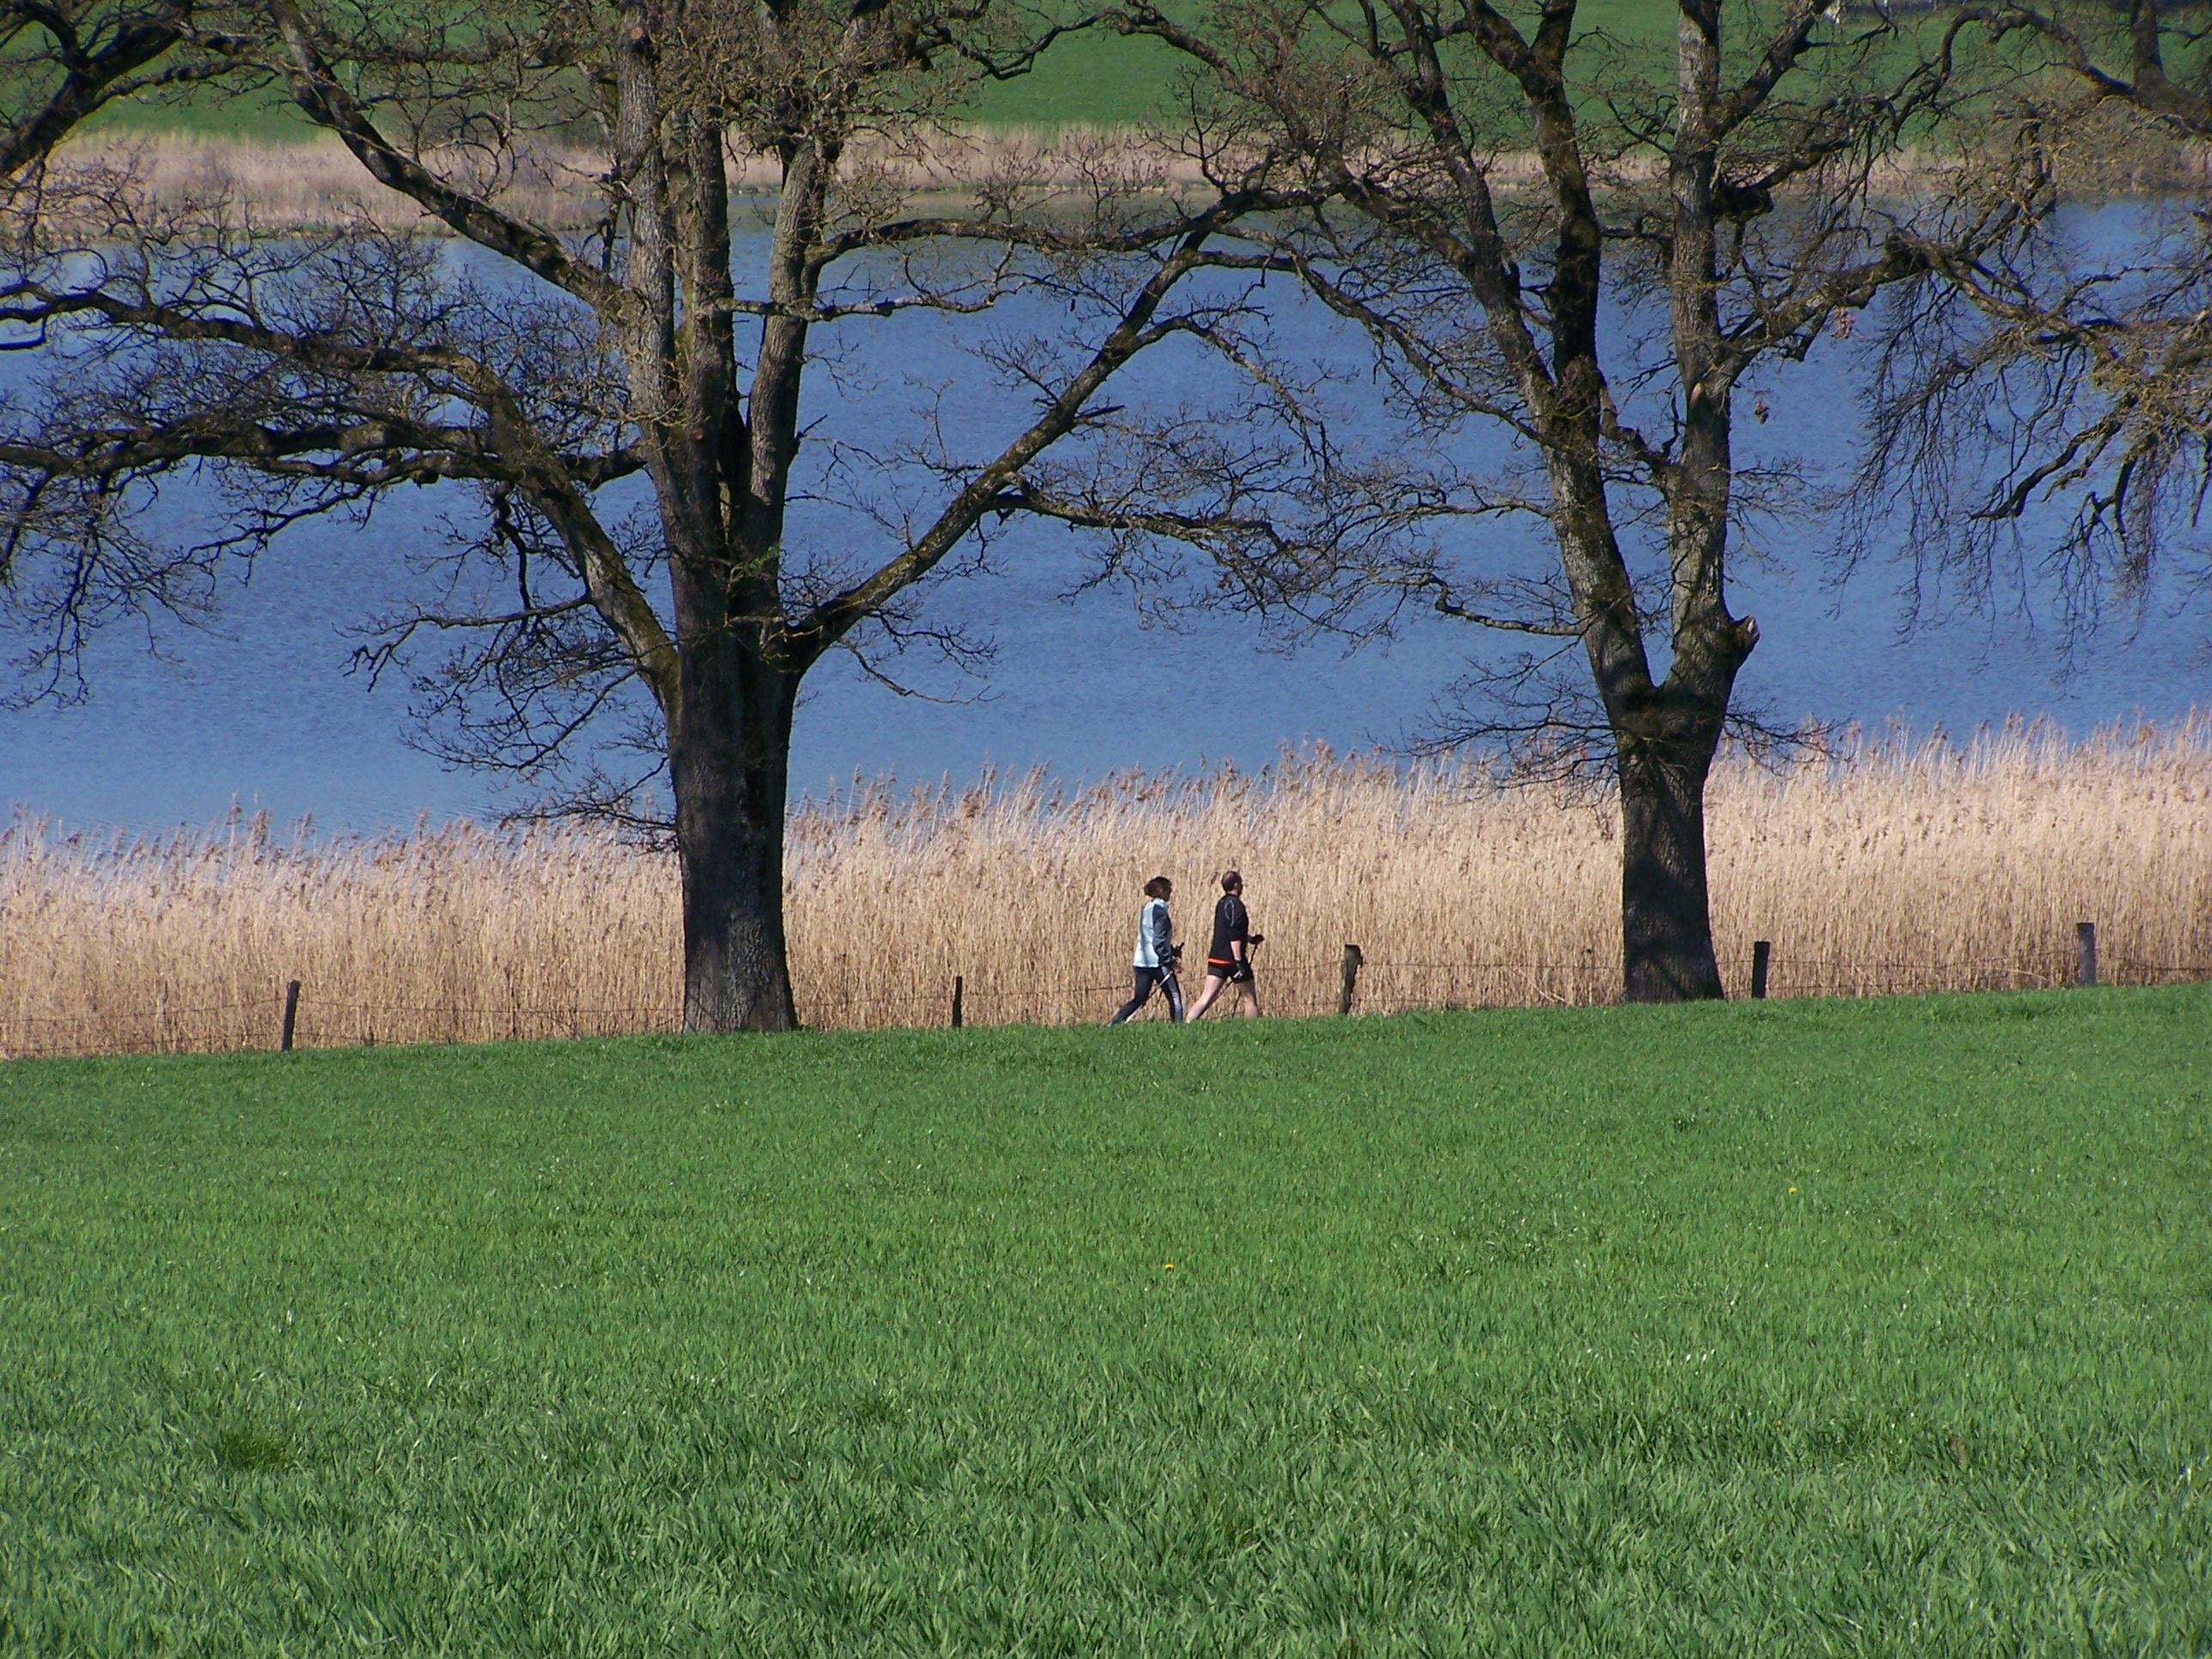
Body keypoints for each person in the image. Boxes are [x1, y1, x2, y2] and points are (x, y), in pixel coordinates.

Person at [1188, 868, 1262, 1019]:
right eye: (1241, 883)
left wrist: (1250, 939)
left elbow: (1227, 930)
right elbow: (1234, 935)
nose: (1242, 886)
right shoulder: (1237, 906)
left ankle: (1188, 1023)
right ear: (1236, 885)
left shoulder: (1221, 903)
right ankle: (1253, 1030)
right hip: (1231, 959)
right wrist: (1239, 961)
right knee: (1249, 999)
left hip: (1216, 958)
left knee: (1206, 997)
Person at [1109, 875, 1184, 1024]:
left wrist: (1171, 949)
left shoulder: (1147, 909)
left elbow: (1151, 937)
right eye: (1169, 889)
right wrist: (1170, 960)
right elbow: (1158, 941)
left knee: (1139, 999)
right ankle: (1178, 1028)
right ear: (1162, 891)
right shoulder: (1161, 912)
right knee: (1174, 997)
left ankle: (1113, 1024)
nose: (1171, 892)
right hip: (1157, 963)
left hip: (1141, 961)